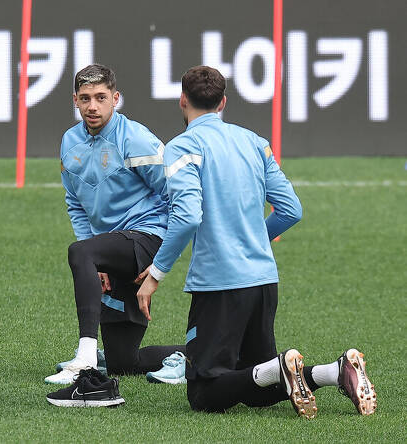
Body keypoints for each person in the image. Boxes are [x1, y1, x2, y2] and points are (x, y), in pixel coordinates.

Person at [136, 66, 377, 417]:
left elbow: (187, 216)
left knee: (204, 393)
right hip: (263, 281)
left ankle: (281, 367)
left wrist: (156, 273)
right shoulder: (254, 141)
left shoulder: (182, 146)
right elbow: (291, 209)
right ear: (223, 102)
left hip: (220, 285)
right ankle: (335, 372)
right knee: (258, 389)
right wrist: (252, 240)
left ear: (182, 100)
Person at [46, 63, 184, 385]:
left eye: (101, 97)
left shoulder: (135, 139)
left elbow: (176, 195)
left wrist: (161, 262)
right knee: (124, 362)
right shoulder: (69, 142)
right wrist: (97, 261)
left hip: (146, 237)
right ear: (75, 100)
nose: (92, 106)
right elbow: (75, 203)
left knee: (79, 251)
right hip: (110, 246)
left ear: (115, 98)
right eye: (85, 98)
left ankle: (85, 358)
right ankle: (197, 354)